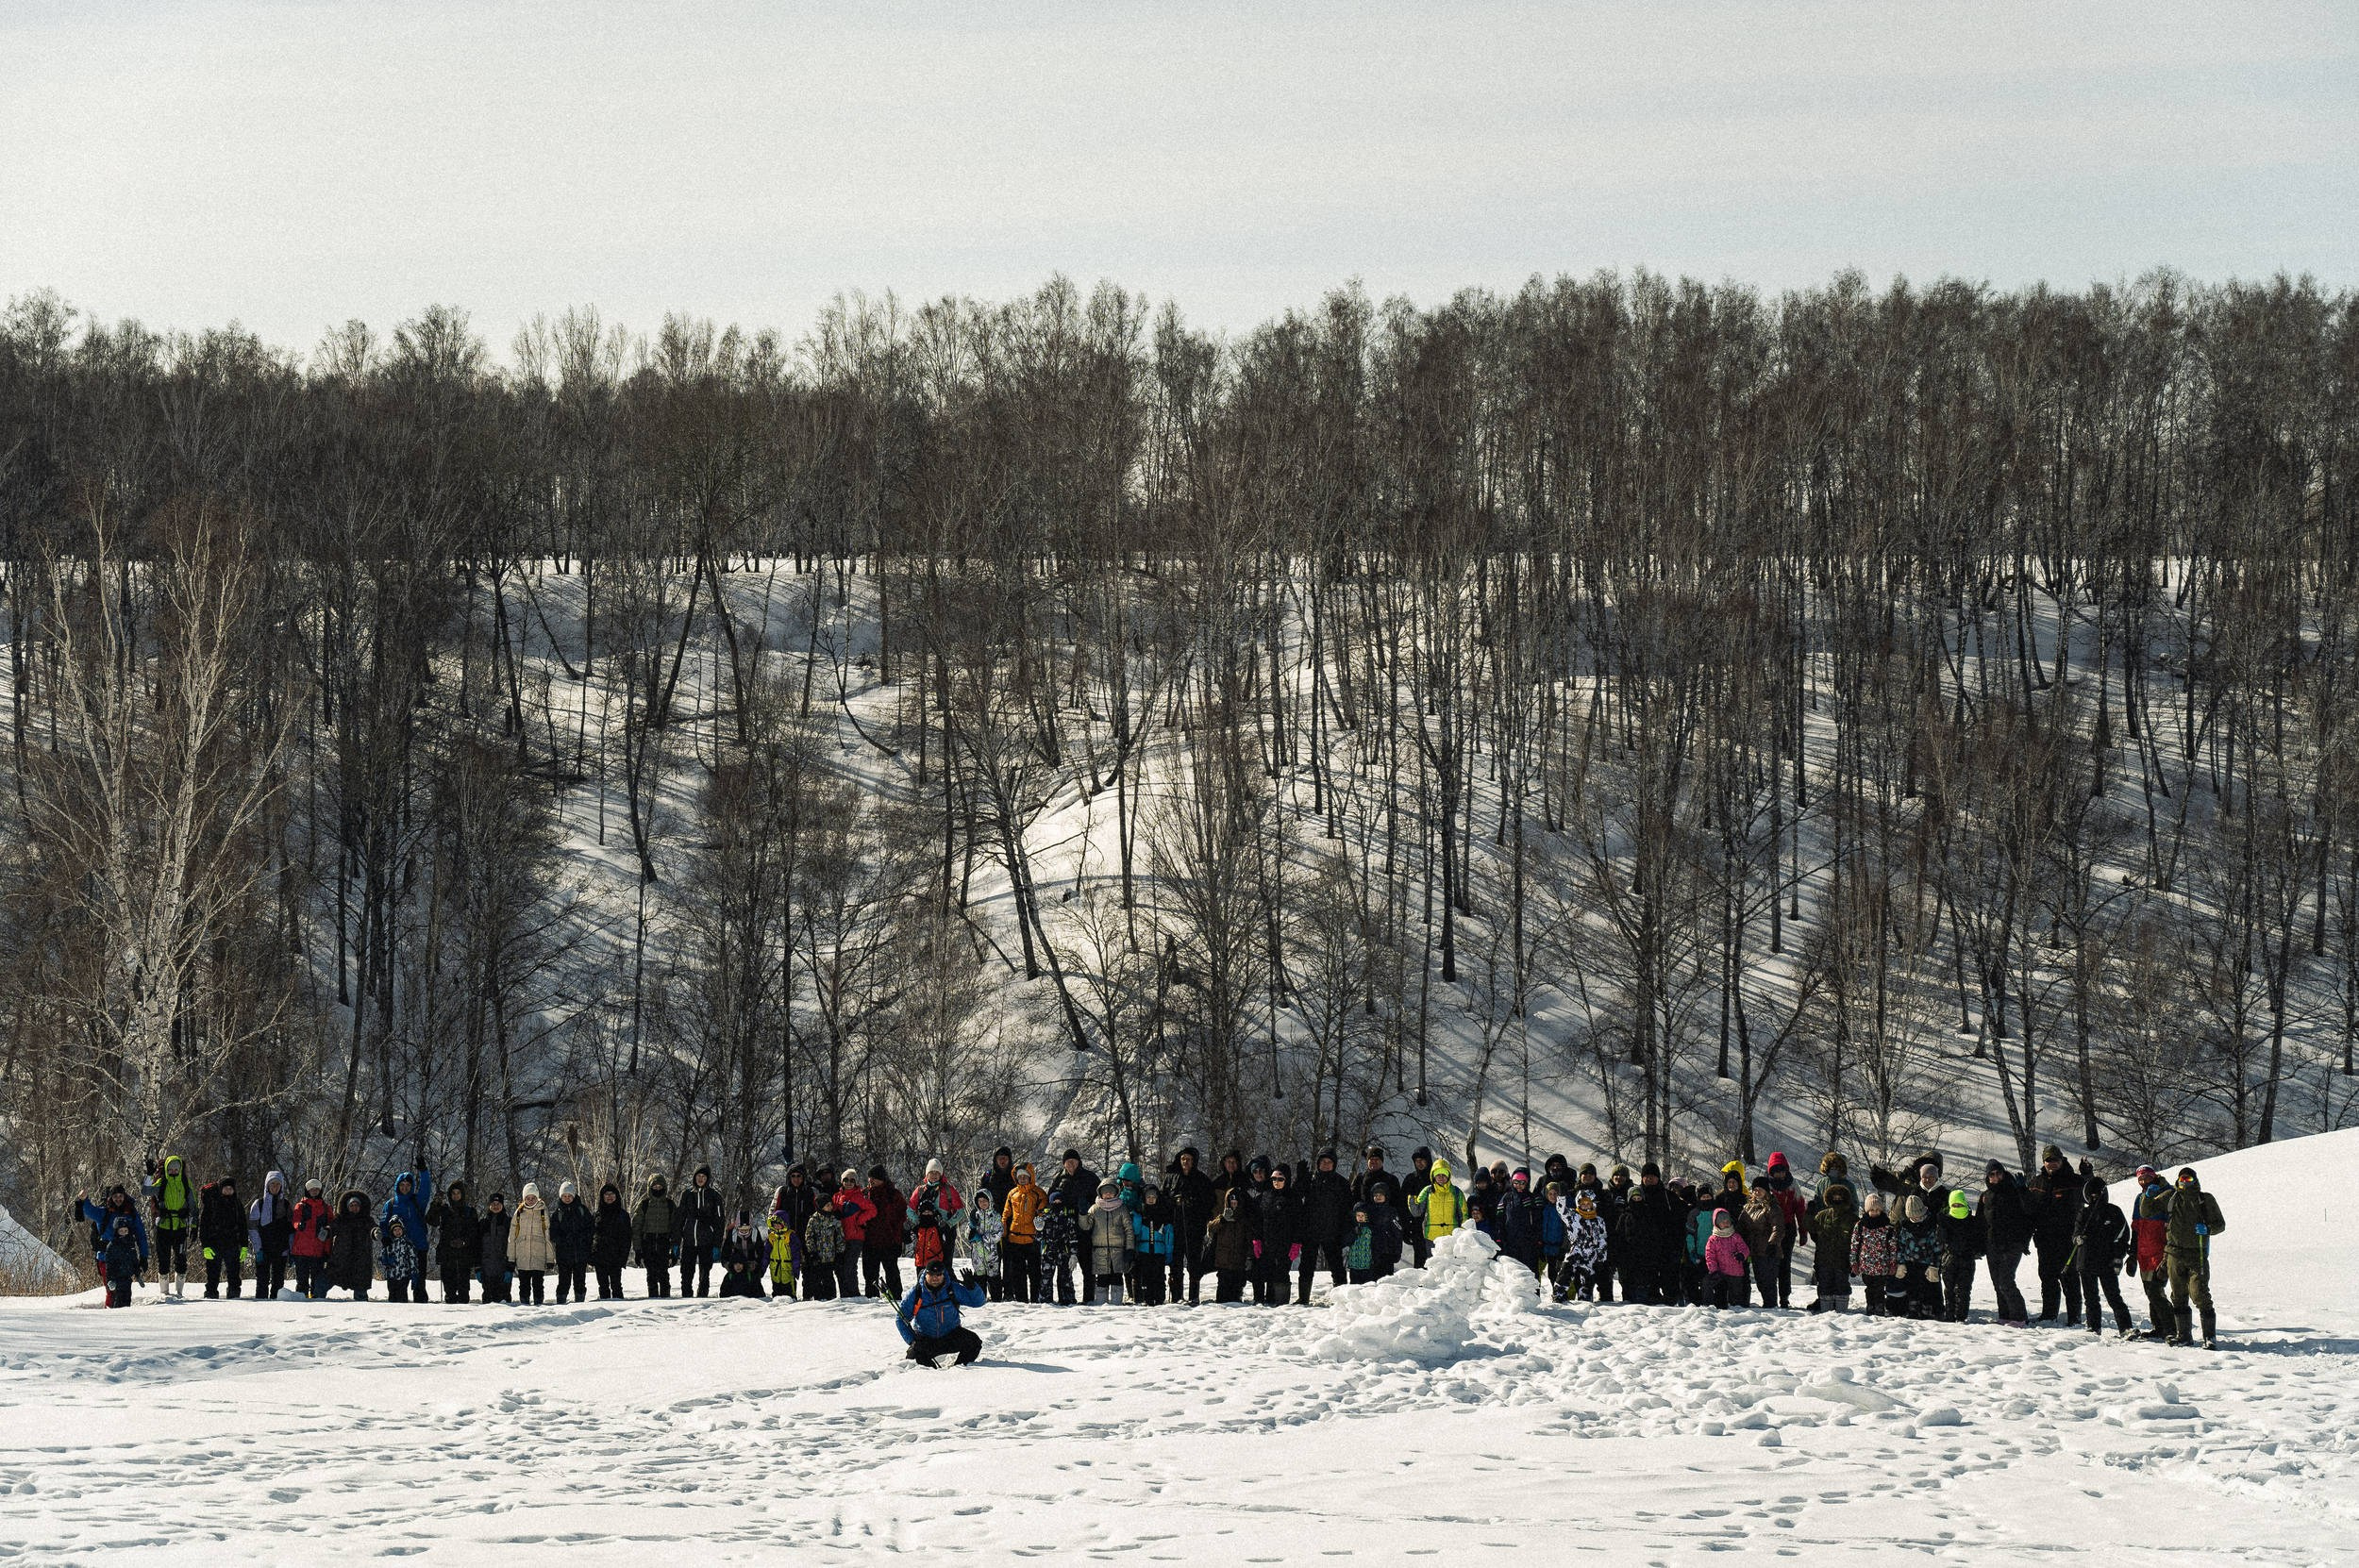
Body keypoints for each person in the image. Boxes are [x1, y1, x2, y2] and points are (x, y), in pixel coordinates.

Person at [2164, 1166, 2226, 1348]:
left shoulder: (2204, 1199)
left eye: (2189, 1179)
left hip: (2196, 1254)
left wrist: (2208, 1229)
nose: (2185, 1182)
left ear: (2195, 1180)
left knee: (2200, 1294)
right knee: (2178, 1296)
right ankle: (2183, 1336)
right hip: (2174, 1254)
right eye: (2182, 1179)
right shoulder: (2171, 1198)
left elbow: (2220, 1224)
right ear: (2178, 1181)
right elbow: (2146, 1210)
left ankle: (2209, 1337)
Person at [2025, 1145, 2085, 1326]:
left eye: (2055, 1160)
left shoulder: (2074, 1180)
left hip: (2068, 1238)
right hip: (2044, 1239)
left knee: (2069, 1277)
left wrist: (2087, 1177)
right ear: (2043, 1162)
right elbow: (2028, 1211)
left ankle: (2074, 1317)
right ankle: (2049, 1314)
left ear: (2061, 1160)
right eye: (2048, 1160)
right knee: (2047, 1277)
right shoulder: (2036, 1183)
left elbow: (2092, 1196)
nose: (2052, 1163)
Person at [2073, 1176, 2134, 1338]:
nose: (2095, 1197)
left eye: (2098, 1194)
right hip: (2086, 1261)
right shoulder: (2084, 1212)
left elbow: (2123, 1236)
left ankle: (2125, 1327)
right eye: (2091, 1195)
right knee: (2091, 1298)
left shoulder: (2114, 1211)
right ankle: (2094, 1327)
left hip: (2107, 1261)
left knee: (2114, 1296)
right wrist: (2078, 1239)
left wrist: (2118, 1256)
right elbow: (2076, 1233)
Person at [897, 1259, 987, 1367]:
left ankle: (959, 1368)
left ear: (943, 1275)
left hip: (951, 1335)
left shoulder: (952, 1289)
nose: (935, 1278)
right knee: (914, 1358)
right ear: (926, 1274)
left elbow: (978, 1302)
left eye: (939, 1274)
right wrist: (912, 1341)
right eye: (931, 1274)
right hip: (926, 1339)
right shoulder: (916, 1293)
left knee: (974, 1343)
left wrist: (972, 1288)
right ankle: (934, 1376)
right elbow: (900, 1319)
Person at [1618, 1164, 1684, 1305]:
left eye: (1652, 1176)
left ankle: (1672, 1305)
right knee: (1648, 1280)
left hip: (1667, 1244)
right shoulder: (1636, 1195)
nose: (1649, 1179)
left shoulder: (1668, 1196)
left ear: (1658, 1178)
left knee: (1669, 1279)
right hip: (1645, 1247)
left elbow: (1680, 1218)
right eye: (1646, 1176)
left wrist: (1677, 1243)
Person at [1979, 1160, 2033, 1325]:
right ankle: (2005, 1316)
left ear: (2003, 1173)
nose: (1996, 1177)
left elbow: (2029, 1213)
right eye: (1992, 1174)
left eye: (1998, 1173)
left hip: (2012, 1243)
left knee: (2006, 1281)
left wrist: (2023, 1190)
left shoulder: (2014, 1190)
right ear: (1988, 1177)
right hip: (1992, 1244)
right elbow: (1980, 1222)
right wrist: (1978, 1245)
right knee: (1997, 1283)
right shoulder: (1985, 1196)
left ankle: (2020, 1317)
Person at [75, 1187, 148, 1305]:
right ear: (111, 1198)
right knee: (112, 1292)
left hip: (126, 1260)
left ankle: (123, 1317)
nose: (118, 1199)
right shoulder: (104, 1213)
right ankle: (109, 1318)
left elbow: (141, 1236)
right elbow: (89, 1211)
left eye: (120, 1196)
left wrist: (144, 1257)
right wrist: (84, 1199)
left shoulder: (131, 1214)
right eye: (115, 1197)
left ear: (125, 1197)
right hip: (105, 1259)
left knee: (125, 1292)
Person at [1163, 1147, 1217, 1305]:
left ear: (1194, 1161)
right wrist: (1173, 1203)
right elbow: (1163, 1198)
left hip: (1194, 1228)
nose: (1185, 1162)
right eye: (1183, 1159)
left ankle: (1194, 1296)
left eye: (1188, 1159)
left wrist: (1193, 1203)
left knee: (1194, 1263)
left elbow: (1210, 1202)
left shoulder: (1202, 1179)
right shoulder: (1171, 1177)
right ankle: (1176, 1297)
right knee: (1175, 1263)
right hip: (1175, 1226)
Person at [1046, 1149, 1098, 1304]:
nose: (1071, 1164)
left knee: (1087, 1266)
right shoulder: (1059, 1179)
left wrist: (1088, 1208)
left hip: (1085, 1228)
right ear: (1064, 1164)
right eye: (1067, 1162)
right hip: (1063, 1230)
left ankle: (1089, 1299)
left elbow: (1100, 1199)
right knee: (1065, 1268)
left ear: (1079, 1162)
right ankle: (1066, 1298)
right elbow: (1050, 1197)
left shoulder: (1090, 1177)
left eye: (1073, 1161)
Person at [2128, 1166, 2174, 1338]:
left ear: (2154, 1176)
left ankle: (2171, 1328)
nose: (2143, 1181)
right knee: (2150, 1291)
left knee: (2156, 1290)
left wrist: (2169, 1252)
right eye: (2140, 1178)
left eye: (2147, 1177)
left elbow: (2172, 1225)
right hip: (2143, 1252)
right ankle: (2159, 1327)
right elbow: (2136, 1227)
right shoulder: (2139, 1198)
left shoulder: (2168, 1193)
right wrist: (2132, 1254)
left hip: (2161, 1250)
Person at [1300, 1152, 1353, 1297]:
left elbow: (1348, 1208)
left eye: (1329, 1162)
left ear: (1334, 1164)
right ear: (1318, 1163)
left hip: (1332, 1231)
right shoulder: (1310, 1180)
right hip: (1311, 1230)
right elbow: (1296, 1197)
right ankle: (1303, 1297)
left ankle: (1342, 1297)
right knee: (1306, 1265)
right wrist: (1300, 1179)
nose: (1326, 1164)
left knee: (1337, 1267)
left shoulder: (1341, 1183)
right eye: (1323, 1161)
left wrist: (1344, 1230)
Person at [145, 1153, 197, 1298]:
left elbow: (194, 1206)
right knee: (163, 1260)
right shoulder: (161, 1183)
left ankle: (179, 1292)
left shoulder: (186, 1184)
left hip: (180, 1227)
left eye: (176, 1169)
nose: (173, 1172)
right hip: (163, 1226)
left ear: (180, 1169)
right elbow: (146, 1191)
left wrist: (194, 1226)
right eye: (170, 1169)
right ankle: (164, 1293)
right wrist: (149, 1175)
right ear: (167, 1170)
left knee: (181, 1260)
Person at [1760, 1153, 1807, 1307]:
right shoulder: (1765, 1186)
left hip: (1788, 1229)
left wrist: (1803, 1231)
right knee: (1770, 1264)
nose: (1780, 1174)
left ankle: (1784, 1297)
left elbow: (1800, 1209)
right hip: (1769, 1230)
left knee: (1785, 1264)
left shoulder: (1793, 1185)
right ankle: (1770, 1297)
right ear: (1771, 1171)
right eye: (1776, 1171)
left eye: (1782, 1170)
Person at [379, 1169, 432, 1304]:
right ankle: (398, 1313)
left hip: (418, 1246)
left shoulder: (417, 1201)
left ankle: (422, 1312)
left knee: (419, 1283)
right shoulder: (390, 1204)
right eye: (402, 1185)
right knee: (397, 1285)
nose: (405, 1188)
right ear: (397, 1186)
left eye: (408, 1185)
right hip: (398, 1251)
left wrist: (424, 1172)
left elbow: (426, 1189)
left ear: (412, 1186)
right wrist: (385, 1238)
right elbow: (383, 1224)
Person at [425, 1181, 481, 1305]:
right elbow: (431, 1220)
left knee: (463, 1293)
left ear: (463, 1194)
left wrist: (464, 1242)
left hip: (464, 1256)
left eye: (458, 1193)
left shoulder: (470, 1211)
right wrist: (435, 1204)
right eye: (453, 1193)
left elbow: (474, 1233)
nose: (456, 1196)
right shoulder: (444, 1210)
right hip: (447, 1255)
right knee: (449, 1292)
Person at [1805, 1178, 1857, 1313]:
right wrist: (1809, 1214)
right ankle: (1825, 1311)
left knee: (1842, 1285)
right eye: (1834, 1196)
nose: (1837, 1198)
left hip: (1843, 1259)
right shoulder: (1822, 1215)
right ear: (1829, 1198)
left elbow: (1858, 1240)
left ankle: (1841, 1311)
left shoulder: (1851, 1218)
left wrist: (1855, 1261)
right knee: (1824, 1285)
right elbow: (1811, 1228)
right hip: (1823, 1258)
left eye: (1840, 1196)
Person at [906, 1160, 962, 1282]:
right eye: (932, 1172)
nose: (935, 1175)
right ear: (927, 1174)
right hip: (926, 1232)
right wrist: (919, 1222)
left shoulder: (948, 1190)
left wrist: (949, 1224)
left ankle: (949, 1290)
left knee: (946, 1264)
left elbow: (960, 1211)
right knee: (924, 1262)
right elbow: (909, 1210)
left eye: (937, 1172)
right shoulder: (920, 1190)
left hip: (946, 1232)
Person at [1257, 1163, 1304, 1307]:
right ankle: (1268, 1300)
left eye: (1280, 1179)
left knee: (1282, 1272)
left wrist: (1297, 1243)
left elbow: (1299, 1222)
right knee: (1267, 1272)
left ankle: (1282, 1304)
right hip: (1267, 1242)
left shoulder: (1293, 1198)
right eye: (1273, 1179)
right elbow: (1259, 1219)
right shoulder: (1266, 1195)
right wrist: (1256, 1240)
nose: (1276, 1182)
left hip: (1286, 1243)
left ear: (1287, 1179)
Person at [1000, 1162, 1046, 1302]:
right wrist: (1003, 1229)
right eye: (1019, 1177)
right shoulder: (1012, 1193)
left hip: (1033, 1239)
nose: (1022, 1179)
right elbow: (1006, 1214)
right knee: (1018, 1273)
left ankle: (1035, 1299)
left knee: (1035, 1272)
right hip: (1015, 1239)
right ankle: (1021, 1300)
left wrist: (1040, 1219)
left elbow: (1043, 1212)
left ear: (1030, 1177)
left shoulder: (1039, 1193)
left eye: (1025, 1177)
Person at [678, 1165, 726, 1299]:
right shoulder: (687, 1194)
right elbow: (679, 1218)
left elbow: (719, 1222)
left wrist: (717, 1244)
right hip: (689, 1241)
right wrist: (676, 1241)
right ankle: (686, 1298)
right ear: (694, 1177)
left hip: (707, 1241)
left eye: (704, 1177)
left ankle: (702, 1299)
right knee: (686, 1272)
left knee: (705, 1273)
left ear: (708, 1179)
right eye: (698, 1176)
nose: (700, 1179)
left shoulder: (715, 1196)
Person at [1737, 1180, 1786, 1311]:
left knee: (1768, 1281)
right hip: (1754, 1250)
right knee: (1760, 1280)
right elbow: (1741, 1227)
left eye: (1760, 1188)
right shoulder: (1748, 1207)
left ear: (1766, 1191)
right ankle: (1768, 1306)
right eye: (1755, 1189)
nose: (1757, 1191)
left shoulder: (1772, 1207)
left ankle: (1771, 1307)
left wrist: (1773, 1243)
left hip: (1769, 1250)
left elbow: (1778, 1227)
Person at [829, 1168, 878, 1300]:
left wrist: (859, 1220)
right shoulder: (836, 1197)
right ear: (842, 1181)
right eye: (846, 1180)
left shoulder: (859, 1197)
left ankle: (854, 1293)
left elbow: (872, 1210)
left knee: (850, 1266)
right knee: (841, 1267)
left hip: (855, 1237)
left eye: (852, 1180)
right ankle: (845, 1294)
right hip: (840, 1237)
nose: (849, 1182)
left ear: (856, 1182)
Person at [1894, 1194, 1943, 1319]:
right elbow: (1900, 1246)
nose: (1915, 1219)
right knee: (1912, 1289)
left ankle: (1929, 1310)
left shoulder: (1931, 1226)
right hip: (1910, 1264)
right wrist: (1901, 1263)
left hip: (1926, 1265)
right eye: (1912, 1217)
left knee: (1928, 1289)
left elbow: (1937, 1248)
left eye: (1917, 1217)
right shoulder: (1905, 1227)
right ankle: (1913, 1309)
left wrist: (1934, 1266)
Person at [1849, 1192, 1899, 1315]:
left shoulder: (1887, 1227)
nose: (1875, 1212)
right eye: (1872, 1209)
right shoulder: (1861, 1225)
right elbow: (1854, 1245)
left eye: (1877, 1209)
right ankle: (1870, 1305)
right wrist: (1854, 1263)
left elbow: (1892, 1247)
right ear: (1867, 1210)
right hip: (1865, 1264)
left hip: (1882, 1264)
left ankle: (1880, 1306)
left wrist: (1893, 1264)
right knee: (1870, 1287)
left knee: (1880, 1288)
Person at [1084, 1178, 1133, 1304]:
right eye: (1105, 1191)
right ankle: (1101, 1304)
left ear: (1116, 1192)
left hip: (1118, 1251)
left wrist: (1129, 1248)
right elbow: (1086, 1226)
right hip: (1100, 1250)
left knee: (1117, 1277)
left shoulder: (1122, 1209)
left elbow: (1128, 1230)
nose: (1108, 1194)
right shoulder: (1094, 1209)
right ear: (1100, 1193)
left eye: (1110, 1191)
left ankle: (1116, 1304)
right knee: (1102, 1278)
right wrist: (1082, 1214)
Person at [248, 1172, 294, 1301]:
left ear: (281, 1186)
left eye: (278, 1184)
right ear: (267, 1186)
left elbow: (291, 1230)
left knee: (278, 1282)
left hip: (281, 1249)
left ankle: (276, 1311)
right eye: (272, 1184)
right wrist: (258, 1249)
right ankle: (261, 1308)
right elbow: (252, 1229)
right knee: (262, 1281)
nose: (275, 1187)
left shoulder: (286, 1205)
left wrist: (291, 1250)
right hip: (264, 1249)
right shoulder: (258, 1204)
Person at [1938, 1188, 1983, 1322]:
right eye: (1954, 1205)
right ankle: (1949, 1315)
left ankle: (1961, 1316)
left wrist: (1977, 1251)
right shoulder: (1945, 1220)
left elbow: (1978, 1239)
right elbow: (1941, 1240)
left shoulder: (1972, 1221)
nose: (1957, 1207)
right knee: (1949, 1290)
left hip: (1967, 1259)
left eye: (1960, 1204)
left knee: (1964, 1290)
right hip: (1949, 1259)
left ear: (1965, 1203)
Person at [1558, 1189, 1610, 1302]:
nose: (1585, 1206)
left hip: (1590, 1253)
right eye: (1582, 1203)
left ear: (1593, 1204)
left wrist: (1601, 1257)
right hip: (1575, 1249)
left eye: (1588, 1203)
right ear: (1578, 1203)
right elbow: (1561, 1211)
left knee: (1587, 1279)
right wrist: (1561, 1197)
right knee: (1566, 1272)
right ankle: (1559, 1295)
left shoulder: (1598, 1220)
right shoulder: (1573, 1215)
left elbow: (1602, 1238)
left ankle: (1585, 1300)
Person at [1204, 1189, 1254, 1302]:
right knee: (1222, 1296)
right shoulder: (1222, 1216)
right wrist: (1222, 1219)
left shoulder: (1244, 1219)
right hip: (1223, 1261)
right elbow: (1211, 1229)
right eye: (1232, 1201)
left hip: (1239, 1261)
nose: (1234, 1203)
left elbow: (1249, 1240)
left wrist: (1249, 1257)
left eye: (1236, 1201)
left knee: (1236, 1296)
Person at [550, 1181, 595, 1305]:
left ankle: (580, 1302)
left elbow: (591, 1228)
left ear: (574, 1196)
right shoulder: (557, 1214)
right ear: (560, 1197)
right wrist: (564, 1240)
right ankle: (561, 1301)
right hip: (563, 1254)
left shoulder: (582, 1210)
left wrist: (583, 1239)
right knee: (563, 1281)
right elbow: (553, 1234)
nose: (567, 1198)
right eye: (564, 1196)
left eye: (569, 1196)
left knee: (580, 1280)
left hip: (580, 1253)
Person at [633, 1174, 678, 1298]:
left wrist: (675, 1250)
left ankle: (665, 1300)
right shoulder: (644, 1204)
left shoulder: (670, 1204)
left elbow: (675, 1228)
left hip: (664, 1242)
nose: (657, 1189)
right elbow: (636, 1227)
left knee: (664, 1274)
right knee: (651, 1274)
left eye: (660, 1186)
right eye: (655, 1186)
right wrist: (637, 1250)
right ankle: (653, 1300)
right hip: (648, 1242)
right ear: (650, 1188)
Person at [802, 1174, 845, 1299]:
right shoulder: (814, 1220)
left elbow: (840, 1237)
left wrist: (840, 1253)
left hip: (831, 1256)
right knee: (817, 1279)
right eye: (827, 1205)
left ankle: (831, 1298)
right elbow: (809, 1236)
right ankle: (818, 1297)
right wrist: (812, 1252)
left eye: (831, 1205)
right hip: (818, 1256)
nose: (830, 1207)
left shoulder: (834, 1219)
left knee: (829, 1279)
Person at [510, 1183, 554, 1305]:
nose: (530, 1201)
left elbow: (548, 1237)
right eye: (527, 1198)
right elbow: (512, 1238)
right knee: (523, 1285)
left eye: (533, 1198)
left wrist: (550, 1258)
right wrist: (511, 1258)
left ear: (537, 1198)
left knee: (538, 1284)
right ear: (524, 1199)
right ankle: (524, 1307)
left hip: (538, 1257)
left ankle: (539, 1307)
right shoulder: (518, 1213)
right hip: (522, 1257)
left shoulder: (543, 1212)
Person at [291, 1179, 333, 1300]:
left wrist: (328, 1229)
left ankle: (315, 1298)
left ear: (320, 1191)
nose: (314, 1191)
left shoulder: (326, 1208)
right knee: (301, 1279)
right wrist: (298, 1225)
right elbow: (295, 1220)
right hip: (301, 1250)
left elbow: (332, 1224)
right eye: (312, 1189)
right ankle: (301, 1298)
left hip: (318, 1250)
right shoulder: (300, 1206)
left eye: (316, 1189)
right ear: (307, 1191)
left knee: (316, 1279)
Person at [329, 1190, 376, 1299]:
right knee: (324, 1282)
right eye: (351, 1205)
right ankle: (317, 1299)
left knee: (361, 1290)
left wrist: (375, 1232)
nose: (354, 1207)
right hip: (341, 1259)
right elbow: (332, 1228)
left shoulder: (367, 1220)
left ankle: (362, 1308)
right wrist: (327, 1231)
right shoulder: (341, 1219)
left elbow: (373, 1228)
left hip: (361, 1261)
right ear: (347, 1206)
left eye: (356, 1205)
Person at [1131, 1186, 1175, 1304]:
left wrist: (1169, 1252)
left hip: (1159, 1250)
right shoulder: (1140, 1213)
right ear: (1144, 1198)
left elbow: (1169, 1235)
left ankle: (1160, 1298)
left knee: (1159, 1276)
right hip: (1143, 1250)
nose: (1151, 1199)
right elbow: (1135, 1231)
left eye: (1153, 1197)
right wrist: (1136, 1218)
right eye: (1148, 1197)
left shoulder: (1163, 1214)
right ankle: (1147, 1298)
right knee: (1145, 1276)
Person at [1409, 1158, 1464, 1246]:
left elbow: (1463, 1214)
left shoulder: (1457, 1192)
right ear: (1433, 1176)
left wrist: (1462, 1233)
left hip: (1452, 1237)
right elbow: (1417, 1212)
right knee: (1434, 1261)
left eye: (1444, 1174)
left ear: (1448, 1176)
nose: (1441, 1177)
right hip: (1431, 1237)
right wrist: (1411, 1199)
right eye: (1438, 1175)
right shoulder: (1427, 1191)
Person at [1703, 1210, 1751, 1308]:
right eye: (1722, 1222)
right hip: (1721, 1273)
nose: (1725, 1224)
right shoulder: (1713, 1239)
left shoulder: (1735, 1236)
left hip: (1736, 1272)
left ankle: (1739, 1309)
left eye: (1727, 1222)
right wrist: (1713, 1269)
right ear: (1717, 1224)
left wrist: (1742, 1255)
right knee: (1721, 1294)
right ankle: (1713, 1305)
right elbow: (1710, 1256)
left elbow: (1744, 1248)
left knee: (1736, 1296)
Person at [100, 1213, 145, 1309]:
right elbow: (109, 1264)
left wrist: (138, 1274)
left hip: (128, 1278)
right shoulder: (112, 1246)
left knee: (127, 1297)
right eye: (121, 1231)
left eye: (126, 1231)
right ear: (117, 1231)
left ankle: (126, 1315)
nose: (124, 1233)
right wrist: (110, 1280)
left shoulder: (130, 1244)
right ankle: (117, 1315)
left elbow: (134, 1260)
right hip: (117, 1278)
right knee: (119, 1298)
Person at [718, 1211, 766, 1298]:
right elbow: (725, 1250)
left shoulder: (755, 1233)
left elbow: (761, 1252)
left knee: (754, 1282)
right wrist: (726, 1263)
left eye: (746, 1229)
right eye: (741, 1229)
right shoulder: (732, 1233)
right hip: (736, 1263)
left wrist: (757, 1265)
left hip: (752, 1265)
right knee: (732, 1281)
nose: (744, 1231)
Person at [1402, 1148, 1436, 1268]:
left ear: (1428, 1160)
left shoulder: (1437, 1179)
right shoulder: (1410, 1179)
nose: (1419, 1163)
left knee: (1436, 1262)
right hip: (1416, 1227)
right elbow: (1403, 1207)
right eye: (1417, 1161)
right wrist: (1405, 1229)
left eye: (1422, 1160)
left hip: (1435, 1227)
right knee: (1420, 1262)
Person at [764, 1187, 798, 1300]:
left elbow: (795, 1253)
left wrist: (796, 1268)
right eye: (774, 1224)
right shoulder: (772, 1237)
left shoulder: (790, 1235)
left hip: (787, 1268)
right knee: (776, 1287)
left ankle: (792, 1298)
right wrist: (763, 1267)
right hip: (775, 1268)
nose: (776, 1226)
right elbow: (766, 1253)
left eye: (779, 1224)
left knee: (789, 1287)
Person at [478, 1192, 512, 1303]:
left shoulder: (509, 1222)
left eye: (498, 1204)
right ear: (489, 1205)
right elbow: (477, 1246)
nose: (495, 1206)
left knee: (504, 1300)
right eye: (493, 1204)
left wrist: (510, 1268)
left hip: (503, 1268)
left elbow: (513, 1245)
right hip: (486, 1269)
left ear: (502, 1205)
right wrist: (477, 1267)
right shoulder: (483, 1223)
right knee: (487, 1302)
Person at [382, 1216, 423, 1300]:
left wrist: (414, 1273)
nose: (397, 1232)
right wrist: (385, 1259)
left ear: (403, 1230)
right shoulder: (389, 1244)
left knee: (402, 1295)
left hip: (404, 1275)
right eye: (395, 1230)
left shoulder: (407, 1244)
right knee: (392, 1295)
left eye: (399, 1229)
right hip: (391, 1275)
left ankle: (403, 1311)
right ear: (392, 1232)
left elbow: (412, 1259)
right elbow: (382, 1257)